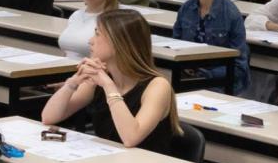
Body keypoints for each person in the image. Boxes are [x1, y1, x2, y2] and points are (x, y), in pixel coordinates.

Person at [41, 10, 182, 153]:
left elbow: (130, 138)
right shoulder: (100, 79)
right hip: (108, 161)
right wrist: (73, 82)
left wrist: (109, 86)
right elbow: (49, 117)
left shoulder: (157, 86)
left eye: (97, 34)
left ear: (119, 42)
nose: (90, 40)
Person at [172, 0, 249, 93]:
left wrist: (204, 74)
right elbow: (173, 48)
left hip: (217, 83)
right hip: (186, 77)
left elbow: (239, 66)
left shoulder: (231, 14)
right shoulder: (186, 9)